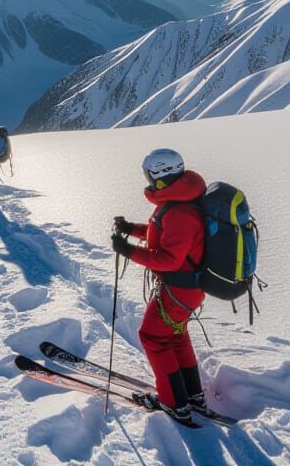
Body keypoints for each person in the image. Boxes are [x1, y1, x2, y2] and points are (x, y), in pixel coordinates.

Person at [110, 148, 210, 426]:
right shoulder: (181, 199)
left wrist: (128, 251)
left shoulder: (180, 210)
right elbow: (162, 233)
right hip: (186, 288)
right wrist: (132, 229)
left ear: (161, 176)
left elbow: (169, 258)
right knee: (174, 337)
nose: (148, 181)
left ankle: (173, 402)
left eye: (149, 176)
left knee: (153, 337)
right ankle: (192, 395)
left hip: (178, 289)